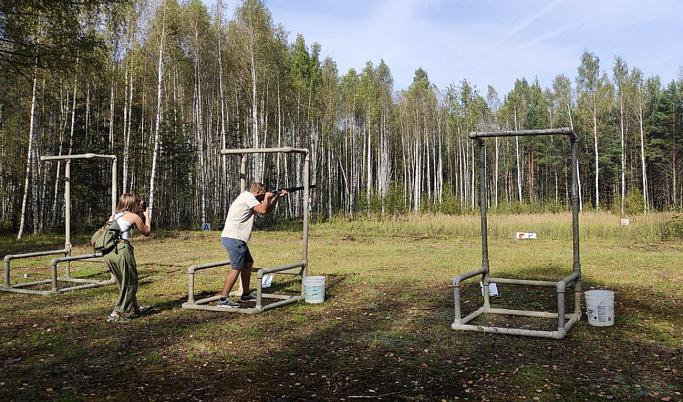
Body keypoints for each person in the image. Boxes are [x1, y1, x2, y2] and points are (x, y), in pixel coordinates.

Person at [217, 182, 287, 307]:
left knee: (248, 263)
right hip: (234, 237)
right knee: (236, 268)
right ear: (257, 193)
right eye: (262, 193)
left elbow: (268, 209)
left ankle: (246, 293)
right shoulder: (248, 197)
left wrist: (276, 197)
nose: (264, 195)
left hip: (237, 238)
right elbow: (263, 210)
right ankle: (223, 300)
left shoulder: (250, 198)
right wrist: (267, 197)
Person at [104, 193, 152, 322]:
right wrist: (146, 216)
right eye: (137, 203)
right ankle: (116, 313)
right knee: (131, 282)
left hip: (109, 252)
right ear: (132, 204)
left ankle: (137, 307)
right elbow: (147, 232)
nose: (138, 206)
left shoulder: (114, 215)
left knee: (123, 281)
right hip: (122, 251)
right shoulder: (133, 216)